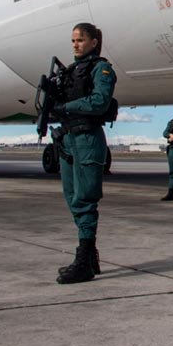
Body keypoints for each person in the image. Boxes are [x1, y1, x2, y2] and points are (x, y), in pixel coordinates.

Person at [52, 22, 116, 284]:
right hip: (68, 139)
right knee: (71, 197)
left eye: (80, 40)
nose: (75, 45)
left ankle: (84, 261)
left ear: (93, 42)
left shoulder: (101, 69)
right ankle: (89, 257)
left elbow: (99, 101)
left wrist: (67, 107)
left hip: (87, 138)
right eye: (73, 41)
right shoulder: (71, 71)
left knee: (85, 199)